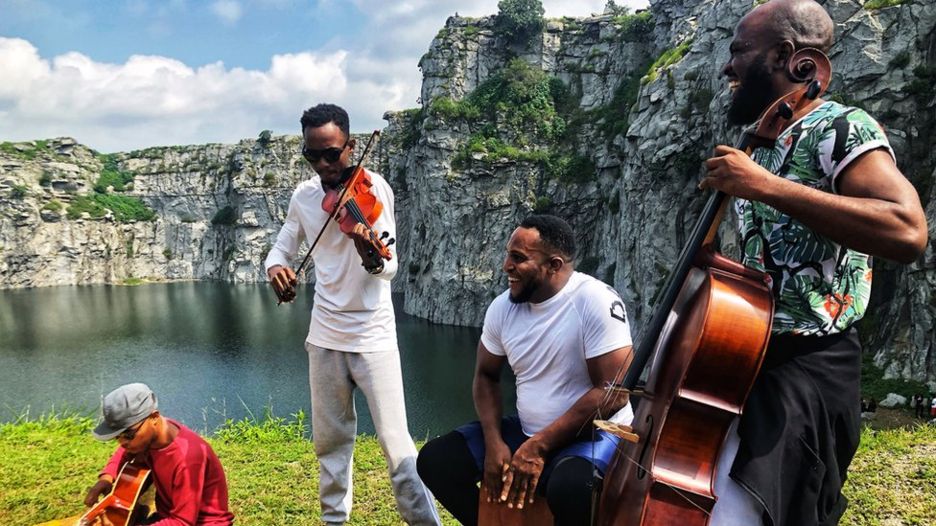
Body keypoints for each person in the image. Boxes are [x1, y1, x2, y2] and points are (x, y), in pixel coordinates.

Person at [699, 0, 928, 524]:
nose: (727, 67)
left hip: (809, 368)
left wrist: (767, 187)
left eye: (739, 52)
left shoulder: (840, 127)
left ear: (786, 57)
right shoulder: (763, 140)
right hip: (746, 361)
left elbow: (907, 229)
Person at [265, 103, 440, 526]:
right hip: (324, 336)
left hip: (373, 337)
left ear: (352, 146)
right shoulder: (305, 198)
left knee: (398, 448)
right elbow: (282, 246)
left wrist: (372, 257)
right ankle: (334, 522)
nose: (324, 165)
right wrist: (275, 269)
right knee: (330, 445)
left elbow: (391, 265)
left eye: (332, 154)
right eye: (313, 156)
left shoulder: (375, 190)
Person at [416, 214, 634, 526]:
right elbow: (486, 375)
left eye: (518, 258)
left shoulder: (594, 300)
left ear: (554, 266)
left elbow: (615, 392)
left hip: (595, 434)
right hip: (528, 432)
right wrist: (494, 441)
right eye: (508, 254)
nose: (506, 266)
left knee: (572, 488)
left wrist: (539, 446)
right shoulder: (502, 308)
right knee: (437, 461)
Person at [84, 383, 234, 525]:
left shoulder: (188, 458)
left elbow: (182, 522)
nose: (122, 443)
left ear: (154, 417)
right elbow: (123, 452)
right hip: (166, 517)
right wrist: (106, 479)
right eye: (117, 437)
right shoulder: (146, 438)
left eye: (128, 435)